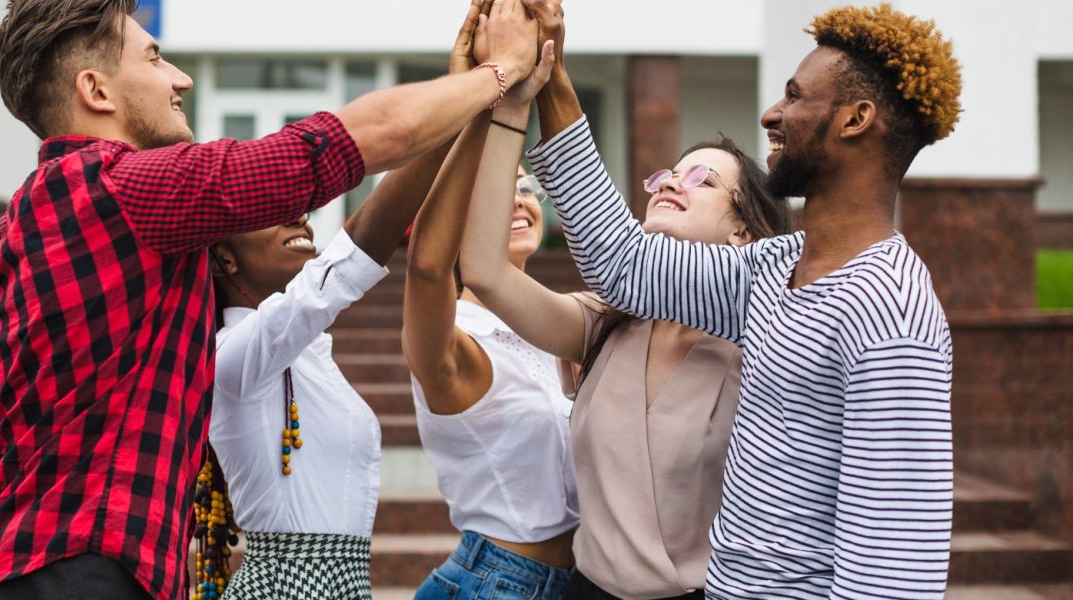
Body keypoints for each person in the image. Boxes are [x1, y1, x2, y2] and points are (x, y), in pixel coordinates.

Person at [0, 0, 541, 598]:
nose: (181, 77)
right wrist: (499, 72)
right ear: (96, 90)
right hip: (84, 576)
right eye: (154, 58)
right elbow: (346, 143)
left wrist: (463, 94)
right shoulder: (130, 189)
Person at [524, 2, 960, 598]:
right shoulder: (774, 268)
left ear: (856, 119)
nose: (771, 114)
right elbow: (621, 263)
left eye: (795, 96)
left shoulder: (891, 312)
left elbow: (893, 574)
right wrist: (551, 72)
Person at [458, 37, 790, 596]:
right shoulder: (608, 321)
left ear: (743, 230)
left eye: (699, 180)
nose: (668, 185)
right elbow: (487, 271)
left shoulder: (764, 337)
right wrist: (513, 107)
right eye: (664, 175)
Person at [195, 7, 506, 599]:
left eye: (295, 205)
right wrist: (464, 96)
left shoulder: (304, 353)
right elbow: (354, 254)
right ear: (224, 259)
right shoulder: (232, 357)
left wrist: (466, 107)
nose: (298, 213)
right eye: (267, 211)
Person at [401, 32, 576, 600]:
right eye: (500, 190)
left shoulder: (558, 330)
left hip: (582, 581)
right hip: (498, 584)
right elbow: (427, 269)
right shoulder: (457, 340)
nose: (519, 201)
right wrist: (481, 98)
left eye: (526, 190)